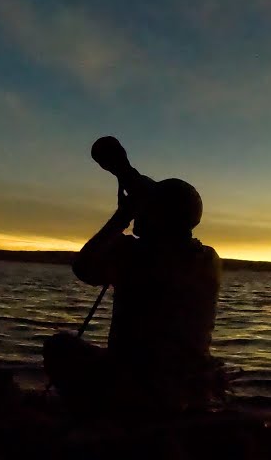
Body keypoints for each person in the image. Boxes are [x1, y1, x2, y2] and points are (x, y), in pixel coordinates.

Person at [43, 166, 222, 421]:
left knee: (59, 346)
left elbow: (83, 268)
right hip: (189, 385)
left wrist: (122, 216)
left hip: (139, 385)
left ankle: (94, 421)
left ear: (157, 215)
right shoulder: (209, 259)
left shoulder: (134, 255)